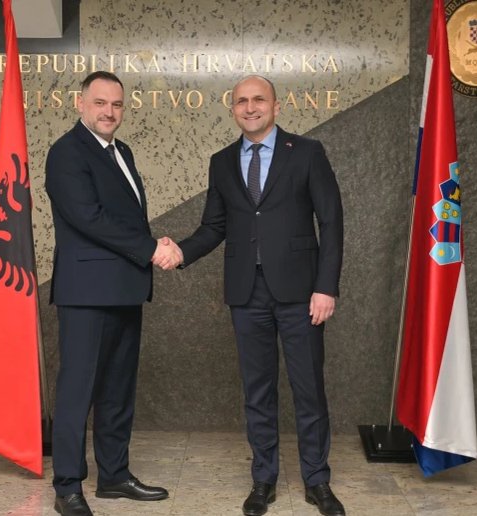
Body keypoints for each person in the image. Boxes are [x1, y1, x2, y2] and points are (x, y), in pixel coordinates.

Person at [174, 75, 346, 516]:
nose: (250, 108)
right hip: (246, 294)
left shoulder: (306, 152)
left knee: (309, 389)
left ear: (276, 106)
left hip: (301, 293)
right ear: (232, 109)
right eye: (241, 101)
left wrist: (326, 286)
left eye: (258, 100)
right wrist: (180, 252)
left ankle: (317, 481)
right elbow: (214, 226)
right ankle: (263, 479)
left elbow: (331, 221)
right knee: (257, 391)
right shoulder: (222, 162)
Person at [45, 70, 180, 516]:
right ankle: (67, 486)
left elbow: (125, 216)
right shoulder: (66, 152)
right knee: (77, 392)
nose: (109, 111)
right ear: (80, 104)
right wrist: (151, 248)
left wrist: (148, 248)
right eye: (100, 102)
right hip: (86, 293)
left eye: (116, 104)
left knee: (118, 390)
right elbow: (88, 217)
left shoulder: (122, 151)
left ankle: (114, 475)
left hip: (124, 287)